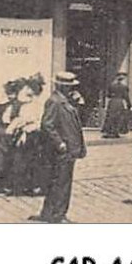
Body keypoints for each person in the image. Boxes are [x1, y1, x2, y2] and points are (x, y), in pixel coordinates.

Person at [33, 71, 86, 223]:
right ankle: (57, 215)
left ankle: (49, 213)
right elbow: (47, 125)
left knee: (57, 181)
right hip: (62, 150)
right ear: (61, 87)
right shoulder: (55, 101)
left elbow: (74, 122)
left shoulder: (66, 102)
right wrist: (59, 143)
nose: (72, 90)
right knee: (61, 183)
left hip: (70, 149)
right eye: (69, 87)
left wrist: (78, 104)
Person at [102, 72, 131, 138]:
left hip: (112, 102)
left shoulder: (111, 85)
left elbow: (108, 95)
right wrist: (129, 104)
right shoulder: (124, 87)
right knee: (119, 117)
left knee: (110, 116)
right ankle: (116, 131)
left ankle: (110, 131)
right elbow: (126, 96)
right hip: (119, 102)